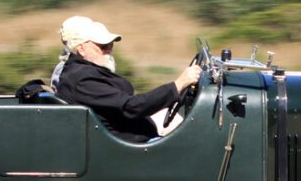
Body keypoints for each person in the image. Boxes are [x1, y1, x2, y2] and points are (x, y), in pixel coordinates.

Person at [53, 15, 202, 142]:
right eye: (103, 45)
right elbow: (131, 107)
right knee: (194, 139)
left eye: (110, 44)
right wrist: (178, 85)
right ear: (81, 49)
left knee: (173, 118)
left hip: (124, 133)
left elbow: (124, 105)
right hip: (123, 148)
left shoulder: (82, 71)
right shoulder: (83, 80)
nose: (109, 49)